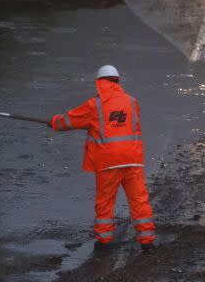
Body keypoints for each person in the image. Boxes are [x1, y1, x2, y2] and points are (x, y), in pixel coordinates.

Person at [47, 65, 155, 250]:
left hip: (108, 162)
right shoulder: (132, 102)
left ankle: (104, 240)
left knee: (105, 201)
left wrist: (54, 122)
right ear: (117, 81)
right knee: (139, 199)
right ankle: (147, 240)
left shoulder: (95, 104)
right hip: (133, 159)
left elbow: (70, 120)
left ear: (99, 82)